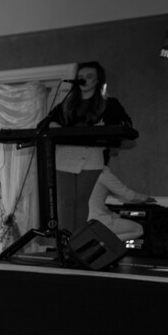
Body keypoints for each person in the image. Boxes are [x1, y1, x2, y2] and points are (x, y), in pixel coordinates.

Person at [39, 61, 134, 234]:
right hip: (65, 155)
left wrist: (105, 128)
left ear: (98, 80)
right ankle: (67, 242)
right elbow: (45, 124)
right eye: (81, 77)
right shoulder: (67, 103)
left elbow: (124, 124)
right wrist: (56, 126)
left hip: (92, 155)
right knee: (66, 201)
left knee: (82, 202)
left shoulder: (109, 104)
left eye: (89, 77)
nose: (84, 80)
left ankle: (76, 243)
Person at [89, 167, 154, 242]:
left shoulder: (79, 174)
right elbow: (127, 194)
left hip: (80, 221)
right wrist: (146, 198)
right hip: (97, 221)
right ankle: (106, 243)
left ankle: (102, 242)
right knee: (138, 229)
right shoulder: (102, 174)